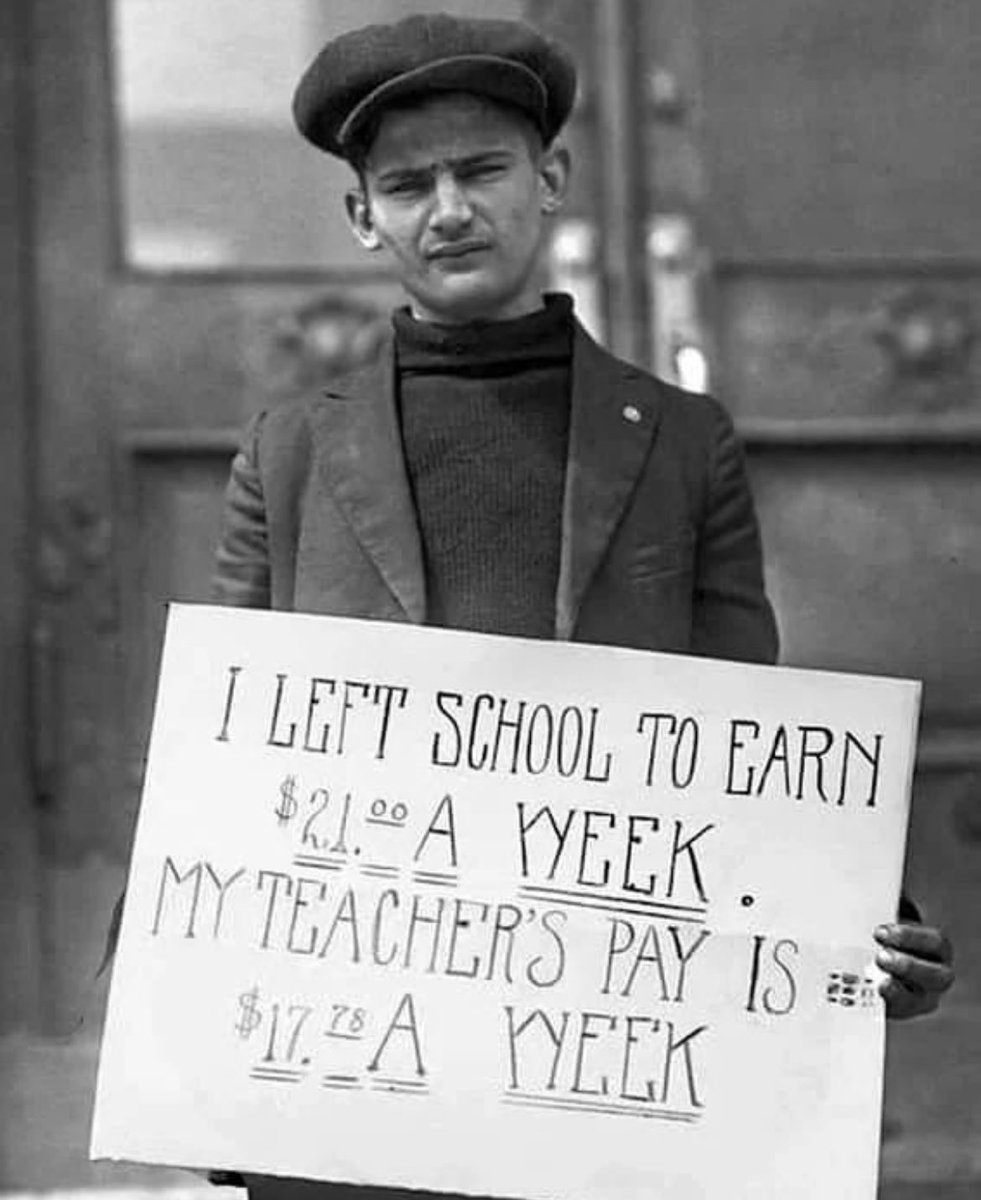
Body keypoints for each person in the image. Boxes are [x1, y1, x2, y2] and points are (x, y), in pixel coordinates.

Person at [210, 15, 952, 1191]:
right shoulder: (291, 451)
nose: (448, 208)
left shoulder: (678, 441)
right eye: (407, 185)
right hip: (360, 1073)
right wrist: (197, 1051)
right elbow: (229, 765)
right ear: (363, 218)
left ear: (548, 181)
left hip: (602, 1067)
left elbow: (739, 730)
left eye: (482, 170)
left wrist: (856, 921)